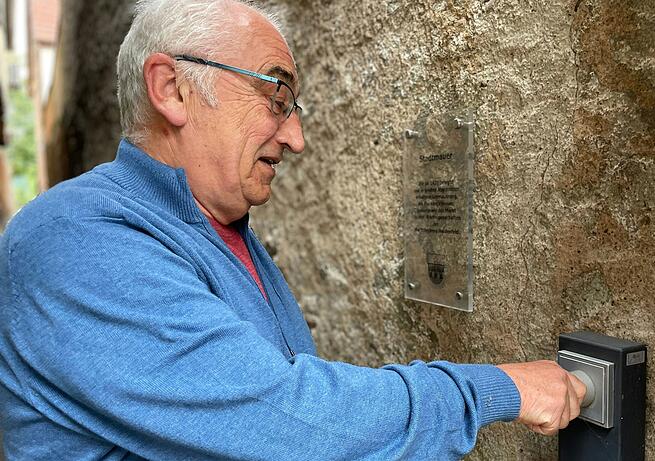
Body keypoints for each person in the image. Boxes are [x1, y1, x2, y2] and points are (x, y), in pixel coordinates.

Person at [0, 0, 586, 459]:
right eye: (276, 95)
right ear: (172, 89)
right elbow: (288, 420)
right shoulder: (72, 243)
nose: (295, 137)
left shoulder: (224, 230)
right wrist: (492, 390)